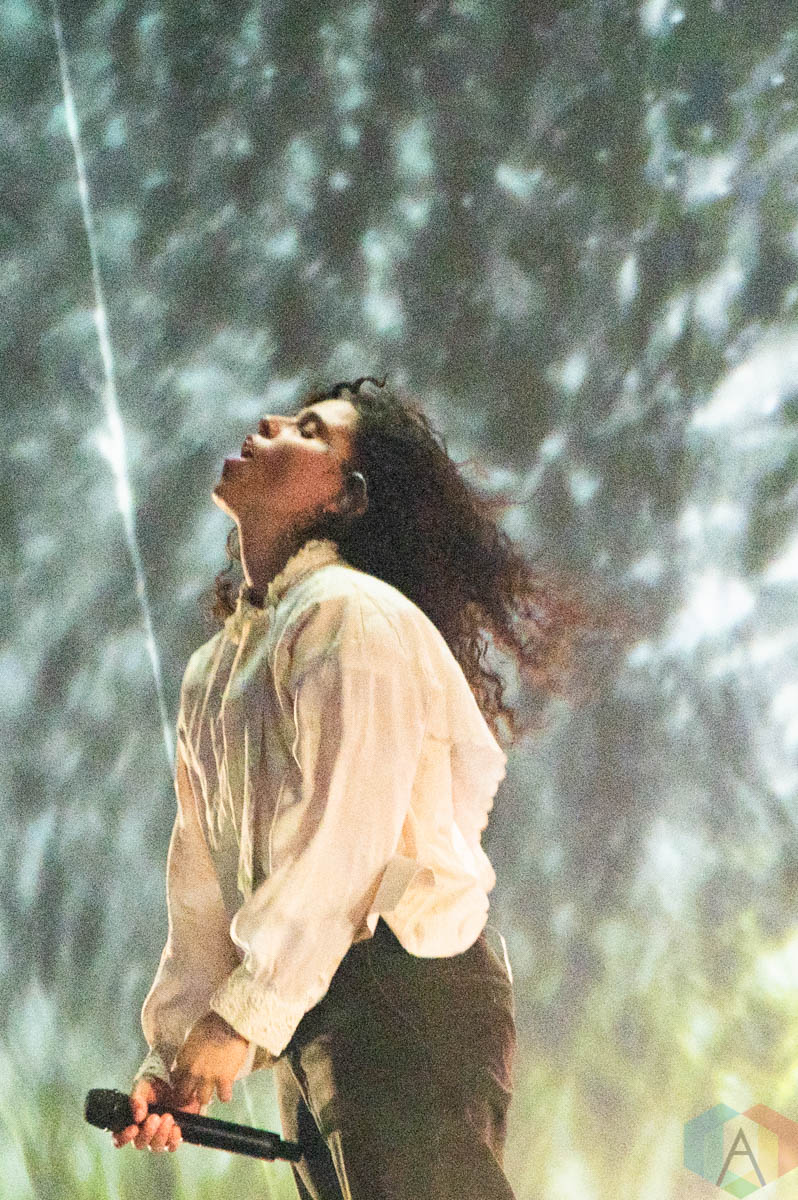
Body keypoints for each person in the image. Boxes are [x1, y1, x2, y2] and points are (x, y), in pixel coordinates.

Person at [113, 376, 584, 1199]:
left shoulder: (350, 614)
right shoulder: (218, 668)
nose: (269, 424)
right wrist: (177, 1053)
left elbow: (343, 842)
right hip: (316, 1007)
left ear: (346, 497)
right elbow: (203, 886)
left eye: (309, 431)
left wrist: (242, 1015)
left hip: (406, 995)